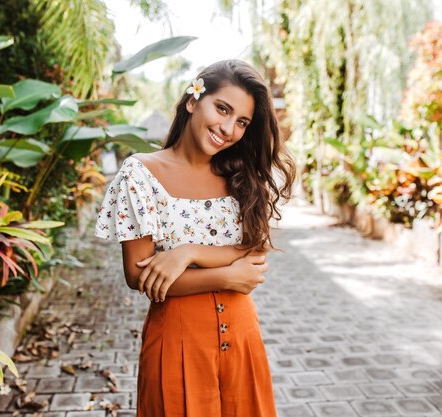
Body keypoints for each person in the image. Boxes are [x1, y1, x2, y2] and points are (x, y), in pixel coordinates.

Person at [95, 59, 296, 416]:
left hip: (244, 341)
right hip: (177, 343)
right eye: (222, 109)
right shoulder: (140, 174)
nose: (228, 128)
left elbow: (254, 255)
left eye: (242, 122)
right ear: (193, 100)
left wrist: (186, 253)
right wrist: (225, 275)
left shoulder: (240, 176)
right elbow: (140, 275)